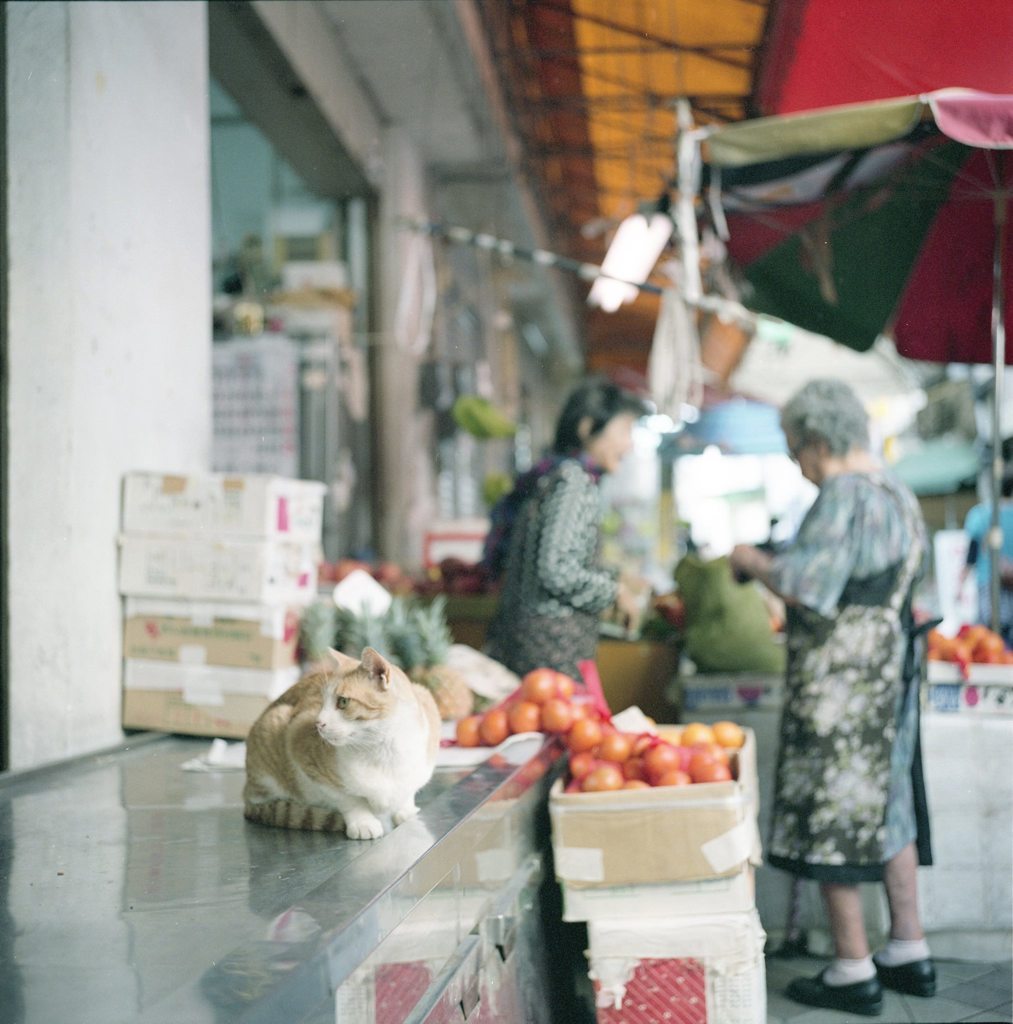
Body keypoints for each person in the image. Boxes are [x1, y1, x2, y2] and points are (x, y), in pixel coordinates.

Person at [729, 379, 934, 1018]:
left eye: (797, 450)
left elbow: (802, 582)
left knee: (833, 812)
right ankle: (909, 948)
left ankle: (852, 967)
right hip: (890, 669)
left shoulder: (843, 494)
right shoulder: (898, 493)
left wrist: (749, 558)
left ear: (820, 441)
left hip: (842, 681)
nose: (798, 464)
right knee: (890, 804)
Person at [483, 377, 648, 680]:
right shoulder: (574, 483)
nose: (630, 444)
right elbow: (557, 570)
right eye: (625, 430)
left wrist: (614, 576)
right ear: (587, 428)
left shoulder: (554, 475)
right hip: (551, 650)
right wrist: (615, 592)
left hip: (528, 642)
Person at [961, 461, 1013, 647]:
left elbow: (972, 554)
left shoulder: (981, 514)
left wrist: (960, 584)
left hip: (989, 590)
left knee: (990, 645)